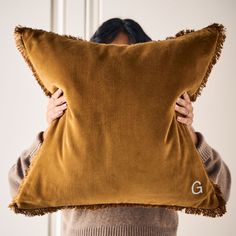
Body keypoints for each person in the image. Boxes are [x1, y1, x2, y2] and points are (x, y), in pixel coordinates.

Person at [8, 18, 231, 236]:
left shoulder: (171, 125)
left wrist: (187, 134)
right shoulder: (68, 126)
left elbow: (221, 189)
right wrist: (53, 131)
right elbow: (17, 186)